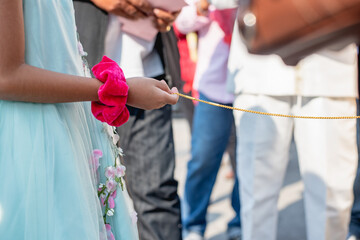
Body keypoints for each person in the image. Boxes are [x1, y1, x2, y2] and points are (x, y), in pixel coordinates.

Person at [0, 0, 179, 239]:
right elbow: (6, 77)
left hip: (73, 119)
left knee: (157, 194)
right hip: (33, 136)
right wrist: (119, 91)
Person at [73, 1, 184, 239]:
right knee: (84, 197)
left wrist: (169, 9)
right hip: (83, 80)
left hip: (147, 74)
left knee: (156, 194)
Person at [174, 1, 241, 240]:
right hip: (213, 87)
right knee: (203, 158)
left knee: (246, 159)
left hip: (249, 86)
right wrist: (202, 7)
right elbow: (180, 22)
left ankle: (240, 221)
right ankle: (193, 224)